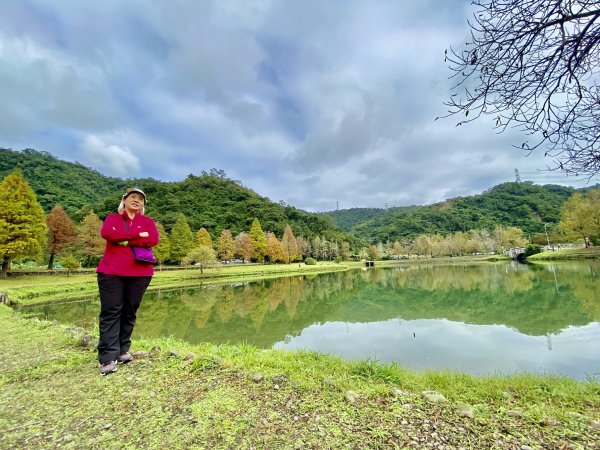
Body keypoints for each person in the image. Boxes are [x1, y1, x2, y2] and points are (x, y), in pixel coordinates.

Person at [96, 188, 159, 376]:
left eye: (140, 199)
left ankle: (123, 350)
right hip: (111, 272)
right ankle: (108, 357)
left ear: (143, 205)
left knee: (129, 311)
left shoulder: (147, 222)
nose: (136, 201)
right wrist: (138, 236)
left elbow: (153, 240)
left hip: (140, 273)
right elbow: (108, 234)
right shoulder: (113, 219)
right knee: (111, 312)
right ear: (124, 200)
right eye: (132, 197)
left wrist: (124, 239)